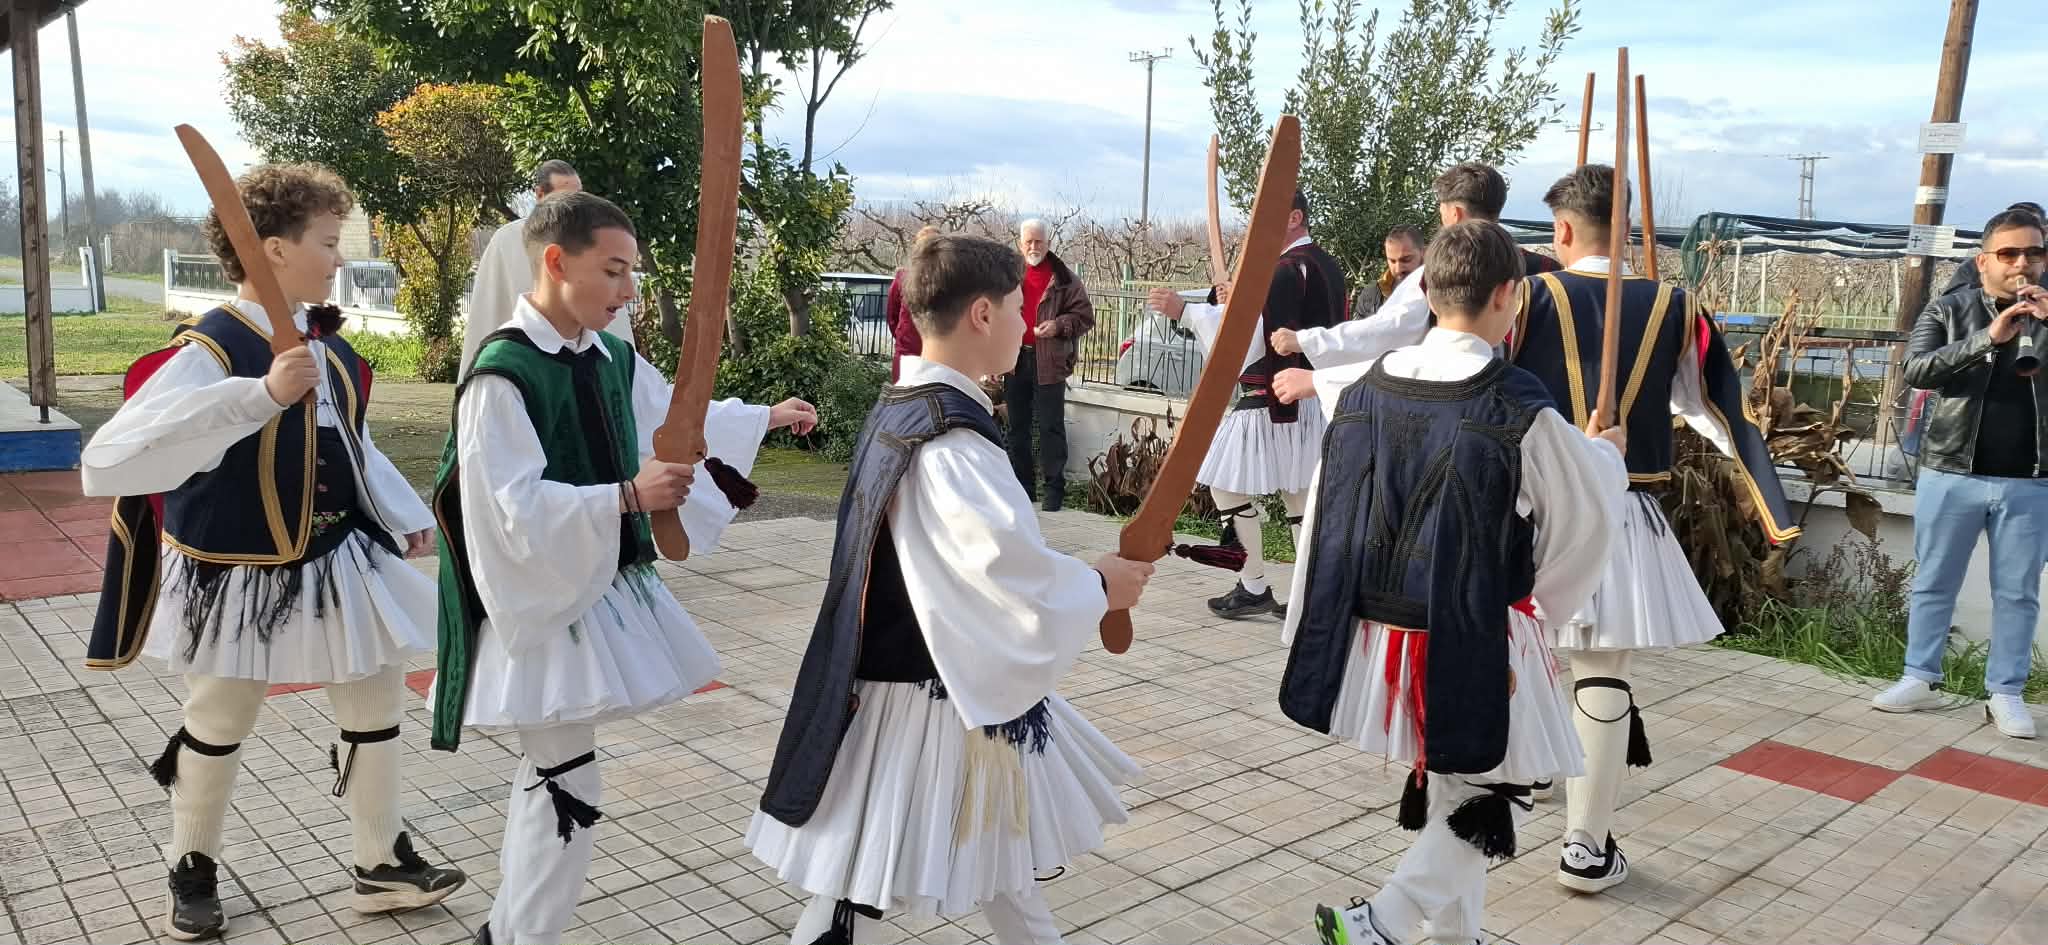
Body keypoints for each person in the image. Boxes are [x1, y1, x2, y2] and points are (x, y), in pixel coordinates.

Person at [81, 163, 466, 941]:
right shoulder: (212, 347)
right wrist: (258, 395)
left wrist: (397, 511)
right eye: (326, 241)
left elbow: (349, 441)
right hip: (236, 565)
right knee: (221, 712)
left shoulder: (325, 345)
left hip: (338, 554)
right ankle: (191, 865)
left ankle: (380, 861)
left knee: (375, 698)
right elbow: (110, 457)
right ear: (275, 250)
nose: (338, 257)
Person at [430, 191, 817, 945]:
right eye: (613, 271)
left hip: (585, 588)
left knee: (554, 776)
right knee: (566, 781)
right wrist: (626, 496)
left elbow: (673, 415)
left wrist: (761, 417)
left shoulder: (609, 356)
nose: (629, 291)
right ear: (555, 261)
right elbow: (506, 508)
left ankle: (508, 934)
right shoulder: (502, 375)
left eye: (631, 271)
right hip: (535, 598)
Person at [748, 235, 1152, 945]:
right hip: (927, 695)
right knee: (865, 888)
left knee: (978, 871)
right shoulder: (951, 439)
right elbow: (1000, 573)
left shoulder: (903, 406)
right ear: (982, 315)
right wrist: (1097, 585)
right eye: (1019, 308)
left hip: (916, 681)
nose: (1028, 324)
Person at [1287, 220, 1624, 945]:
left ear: (1429, 291)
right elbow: (1584, 519)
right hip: (1474, 627)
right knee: (1503, 788)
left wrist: (1322, 619)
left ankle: (1453, 936)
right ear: (1508, 294)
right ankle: (1380, 923)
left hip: (1378, 624)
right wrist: (1605, 458)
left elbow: (1327, 511)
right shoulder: (1514, 401)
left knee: (1458, 781)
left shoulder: (1366, 388)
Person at [1513, 166, 1799, 894]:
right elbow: (1714, 408)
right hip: (1620, 509)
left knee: (1523, 652)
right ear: (1629, 227)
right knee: (1602, 670)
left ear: (1564, 229)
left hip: (1530, 509)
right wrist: (1771, 503)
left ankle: (1519, 782)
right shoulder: (1675, 304)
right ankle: (1585, 847)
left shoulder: (1526, 296)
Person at [1874, 206, 2048, 740]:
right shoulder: (1949, 309)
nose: (2022, 263)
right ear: (1984, 260)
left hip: (2031, 480)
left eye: (2034, 252)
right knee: (1934, 580)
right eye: (2009, 253)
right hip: (1951, 471)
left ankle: (2006, 693)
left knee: (2017, 593)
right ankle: (1919, 677)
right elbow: (1916, 369)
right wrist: (1987, 338)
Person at [1147, 190, 1346, 619]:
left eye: (1268, 216)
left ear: (1294, 217)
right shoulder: (1324, 265)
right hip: (1310, 399)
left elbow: (1248, 338)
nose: (1258, 227)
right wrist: (1231, 299)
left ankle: (1255, 583)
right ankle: (1309, 597)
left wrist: (1187, 312)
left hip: (1272, 398)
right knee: (1299, 499)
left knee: (1225, 484)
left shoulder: (1283, 269)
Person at [1270, 162, 1559, 377]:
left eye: (1441, 210)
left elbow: (1387, 331)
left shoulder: (1441, 271)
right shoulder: (1548, 269)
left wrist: (1305, 340)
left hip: (1460, 399)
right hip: (1534, 398)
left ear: (1455, 214)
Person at [459, 159, 631, 373]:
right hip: (525, 364)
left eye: (578, 197)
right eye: (564, 198)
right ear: (540, 194)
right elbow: (489, 312)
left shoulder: (596, 240)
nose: (574, 207)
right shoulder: (507, 241)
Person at [1007, 218, 1096, 511]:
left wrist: (1058, 326)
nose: (1033, 247)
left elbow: (1085, 317)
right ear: (1020, 244)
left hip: (1051, 361)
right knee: (1017, 428)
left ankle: (1054, 492)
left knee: (1050, 427)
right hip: (1014, 359)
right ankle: (1023, 489)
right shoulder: (1008, 276)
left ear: (1048, 243)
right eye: (1028, 242)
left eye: (1039, 241)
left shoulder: (1065, 278)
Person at [1940, 201, 2045, 299]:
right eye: (2013, 224)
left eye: (2031, 224)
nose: (2021, 263)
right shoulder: (1976, 265)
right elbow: (1953, 301)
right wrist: (1993, 296)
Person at [886, 224, 943, 381]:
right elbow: (892, 316)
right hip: (907, 355)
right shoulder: (902, 278)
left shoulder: (949, 280)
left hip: (939, 357)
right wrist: (904, 339)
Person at [1351, 224, 1426, 319]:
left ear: (1423, 253)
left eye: (1406, 260)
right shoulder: (1371, 295)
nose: (1398, 269)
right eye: (1392, 261)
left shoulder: (1439, 290)